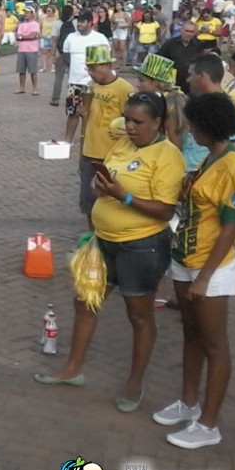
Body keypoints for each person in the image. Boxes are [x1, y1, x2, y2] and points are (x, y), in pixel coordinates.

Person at [35, 93, 184, 413]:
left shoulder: (168, 155)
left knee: (139, 314)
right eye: (127, 119)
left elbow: (165, 210)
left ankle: (134, 383)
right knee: (85, 301)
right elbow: (102, 182)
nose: (129, 126)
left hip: (141, 247)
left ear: (157, 122)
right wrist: (100, 187)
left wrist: (124, 197)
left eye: (137, 121)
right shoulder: (123, 144)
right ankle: (73, 369)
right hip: (104, 241)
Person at [155, 93, 235, 449]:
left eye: (194, 125)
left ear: (208, 125)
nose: (190, 131)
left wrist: (205, 277)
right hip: (184, 259)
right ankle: (188, 403)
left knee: (214, 343)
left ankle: (208, 425)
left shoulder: (232, 165)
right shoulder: (210, 157)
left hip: (212, 267)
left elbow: (231, 226)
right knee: (191, 333)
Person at [77, 45, 133, 223]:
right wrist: (82, 112)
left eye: (94, 68)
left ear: (108, 65)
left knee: (111, 200)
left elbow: (132, 119)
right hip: (90, 151)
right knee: (89, 200)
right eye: (89, 68)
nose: (91, 73)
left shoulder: (124, 88)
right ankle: (92, 235)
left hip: (112, 153)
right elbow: (87, 116)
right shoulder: (90, 86)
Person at [62, 11, 110, 143]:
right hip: (74, 82)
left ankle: (91, 141)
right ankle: (68, 141)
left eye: (82, 22)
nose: (79, 24)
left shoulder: (100, 38)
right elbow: (66, 56)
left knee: (93, 113)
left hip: (94, 83)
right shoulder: (71, 37)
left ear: (90, 23)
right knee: (72, 112)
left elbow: (107, 60)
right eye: (78, 21)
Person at [159, 22, 206, 93]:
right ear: (181, 31)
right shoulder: (170, 43)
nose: (188, 34)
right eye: (186, 31)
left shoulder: (199, 45)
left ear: (195, 33)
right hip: (172, 83)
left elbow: (202, 63)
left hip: (191, 84)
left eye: (191, 32)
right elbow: (160, 58)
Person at [14, 10, 41, 95]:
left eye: (28, 13)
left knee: (33, 71)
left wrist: (22, 37)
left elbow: (33, 36)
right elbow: (18, 36)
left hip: (32, 49)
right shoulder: (21, 25)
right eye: (25, 13)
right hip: (21, 49)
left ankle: (35, 89)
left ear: (32, 14)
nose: (26, 14)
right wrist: (27, 36)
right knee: (21, 70)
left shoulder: (35, 24)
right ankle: (22, 87)